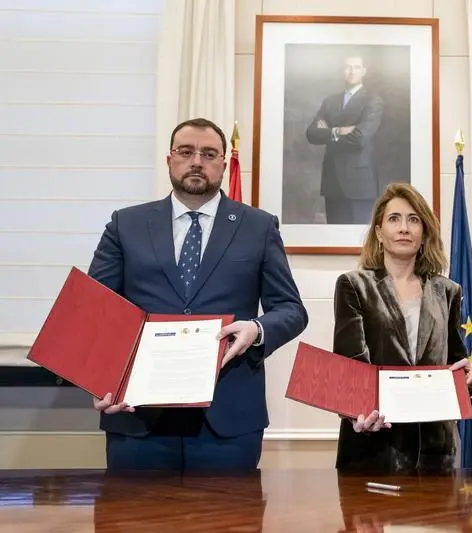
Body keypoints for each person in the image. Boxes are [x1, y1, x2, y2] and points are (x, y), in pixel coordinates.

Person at [87, 117, 308, 471]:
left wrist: (256, 329)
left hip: (228, 418)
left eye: (208, 154)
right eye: (186, 151)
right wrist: (99, 379)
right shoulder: (125, 224)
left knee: (229, 510)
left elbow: (291, 309)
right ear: (169, 159)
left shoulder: (259, 226)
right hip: (137, 415)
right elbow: (95, 309)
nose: (196, 162)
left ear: (224, 163)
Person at [332, 182, 472, 474]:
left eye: (413, 220)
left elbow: (455, 360)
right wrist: (357, 412)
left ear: (424, 234)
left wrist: (470, 375)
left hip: (436, 453)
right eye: (394, 219)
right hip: (374, 447)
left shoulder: (448, 291)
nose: (404, 228)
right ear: (379, 232)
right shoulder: (354, 285)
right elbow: (351, 364)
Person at [305, 54, 384, 225]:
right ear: (342, 71)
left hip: (359, 184)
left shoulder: (373, 101)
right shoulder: (330, 101)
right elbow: (311, 133)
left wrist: (328, 132)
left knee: (360, 237)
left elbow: (359, 138)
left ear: (364, 71)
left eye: (357, 67)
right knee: (334, 235)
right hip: (332, 182)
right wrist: (338, 131)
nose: (352, 71)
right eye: (348, 67)